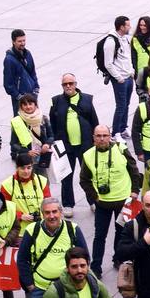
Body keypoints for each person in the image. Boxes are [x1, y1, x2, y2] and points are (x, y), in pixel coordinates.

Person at [79, 125, 143, 274]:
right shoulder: (88, 155)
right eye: (98, 136)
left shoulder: (120, 149)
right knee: (99, 236)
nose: (102, 139)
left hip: (123, 201)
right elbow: (84, 180)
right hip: (102, 203)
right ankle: (96, 267)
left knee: (121, 233)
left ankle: (118, 259)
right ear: (93, 137)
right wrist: (95, 197)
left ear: (110, 136)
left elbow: (134, 169)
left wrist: (134, 191)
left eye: (105, 135)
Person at [49, 74, 98, 205]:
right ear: (62, 86)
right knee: (66, 176)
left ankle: (93, 201)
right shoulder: (56, 101)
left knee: (89, 176)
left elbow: (94, 121)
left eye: (71, 83)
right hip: (66, 146)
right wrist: (54, 141)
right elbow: (52, 123)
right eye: (65, 84)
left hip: (85, 145)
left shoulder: (86, 99)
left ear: (76, 84)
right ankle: (68, 204)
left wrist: (96, 139)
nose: (68, 86)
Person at [3, 30, 40, 115]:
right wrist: (19, 97)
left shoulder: (28, 54)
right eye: (19, 41)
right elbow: (8, 84)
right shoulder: (9, 60)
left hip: (32, 97)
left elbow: (33, 73)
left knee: (35, 121)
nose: (22, 43)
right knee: (21, 124)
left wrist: (36, 89)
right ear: (13, 42)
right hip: (20, 101)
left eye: (24, 40)